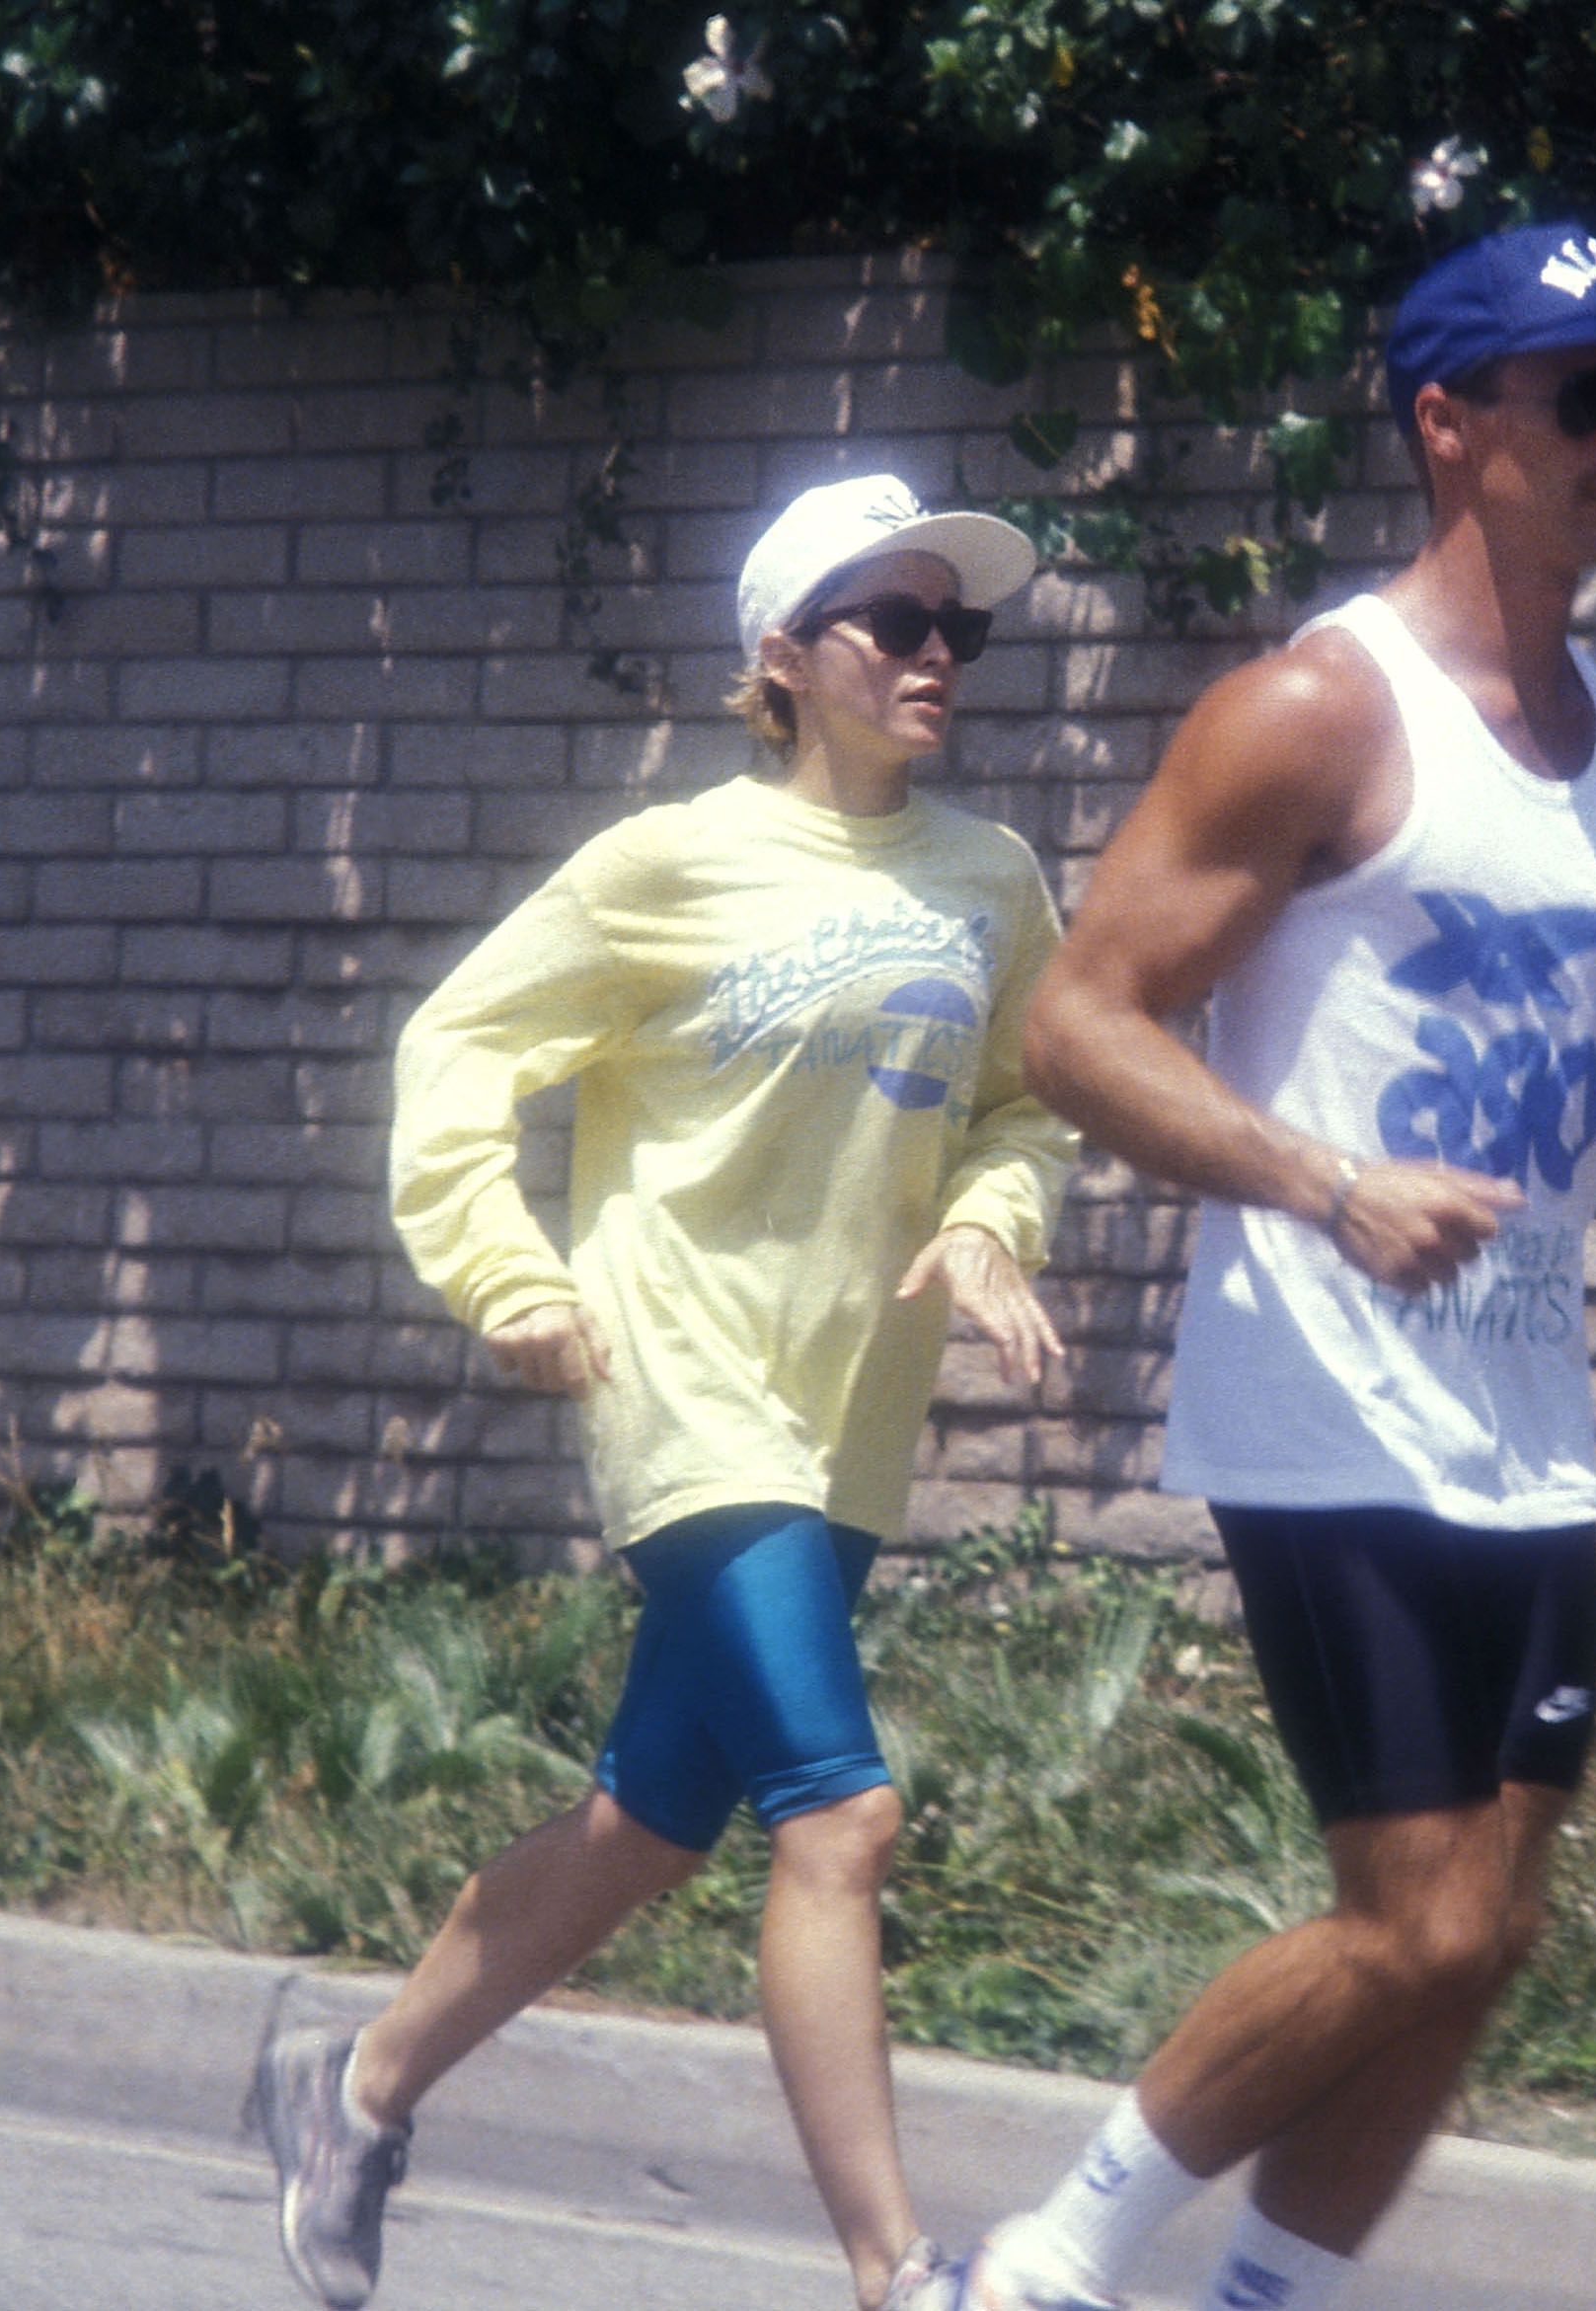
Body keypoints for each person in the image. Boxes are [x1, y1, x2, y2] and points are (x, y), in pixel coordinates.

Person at [939, 224, 1596, 2311]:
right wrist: (1319, 1177)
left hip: (1524, 1425)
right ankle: (1039, 2277)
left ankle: (1259, 2299)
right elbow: (1077, 1025)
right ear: (1451, 422)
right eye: (1586, 396)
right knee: (1413, 1923)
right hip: (1327, 1402)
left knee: (1492, 1930)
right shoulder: (1312, 711)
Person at [251, 473, 1078, 2311]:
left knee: (650, 1828)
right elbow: (459, 1043)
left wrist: (1002, 1216)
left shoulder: (991, 879)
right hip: (685, 1386)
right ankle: (898, 2273)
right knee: (840, 1816)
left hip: (845, 1413)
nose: (941, 655)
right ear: (783, 660)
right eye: (897, 621)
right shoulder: (664, 863)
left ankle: (356, 2085)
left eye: (962, 628)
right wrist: (512, 1274)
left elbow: (1028, 1097)